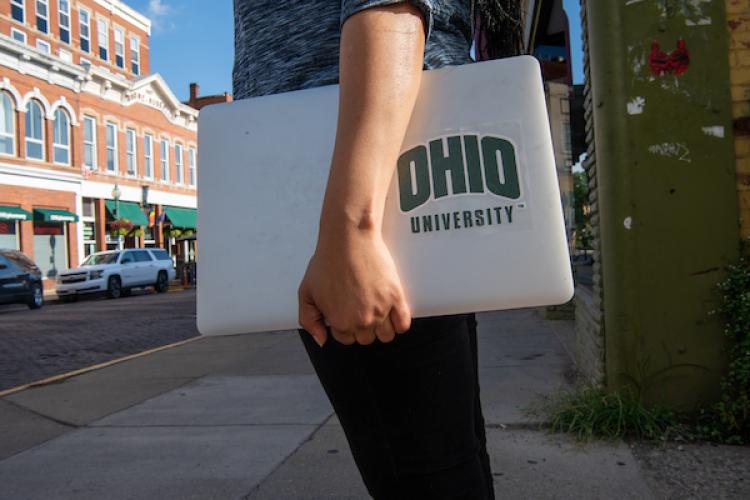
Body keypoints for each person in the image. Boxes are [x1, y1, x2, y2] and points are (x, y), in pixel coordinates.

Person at [233, 1, 521, 497]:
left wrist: (354, 225)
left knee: (426, 478)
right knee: (447, 465)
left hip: (361, 178)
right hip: (358, 172)